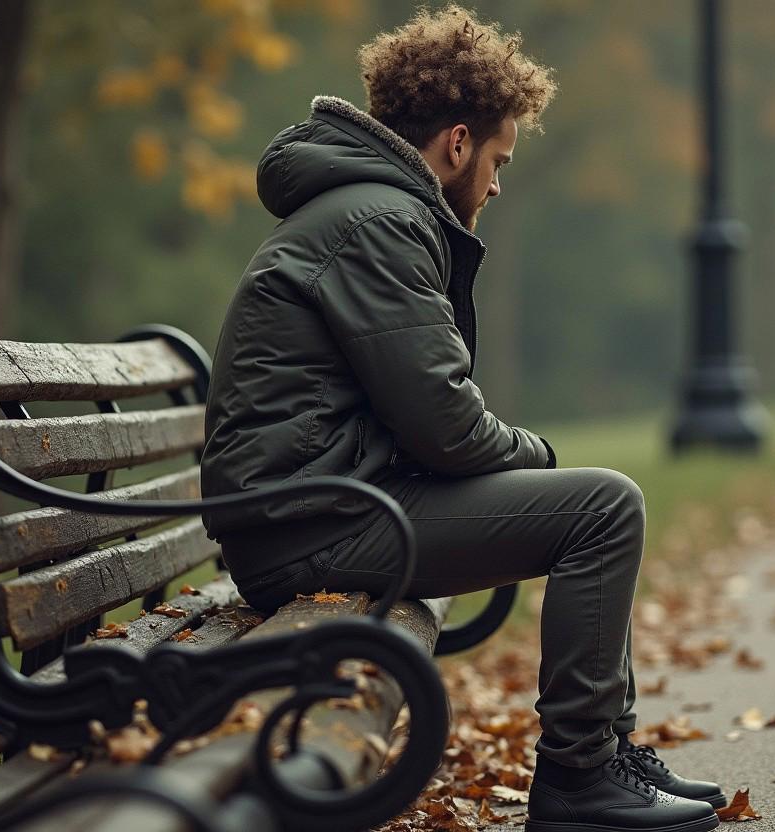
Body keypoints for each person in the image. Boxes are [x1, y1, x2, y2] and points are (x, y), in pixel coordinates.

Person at [200, 6, 724, 831]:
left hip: (320, 505)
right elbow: (445, 426)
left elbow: (426, 415)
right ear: (455, 142)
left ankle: (607, 753)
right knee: (603, 506)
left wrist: (523, 458)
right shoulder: (380, 221)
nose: (498, 182)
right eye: (498, 158)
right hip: (311, 524)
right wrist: (535, 451)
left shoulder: (367, 210)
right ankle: (580, 780)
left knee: (590, 502)